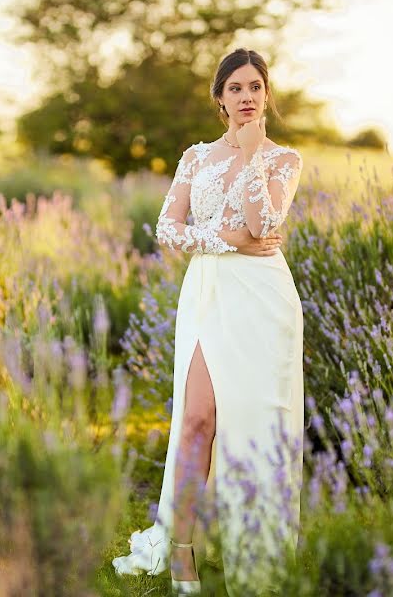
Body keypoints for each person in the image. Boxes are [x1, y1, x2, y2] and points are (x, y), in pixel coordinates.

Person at [111, 48, 306, 596]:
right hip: (208, 293)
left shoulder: (285, 160)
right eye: (236, 88)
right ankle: (181, 554)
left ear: (267, 94)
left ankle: (250, 541)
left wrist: (252, 157)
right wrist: (224, 240)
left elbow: (265, 223)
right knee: (197, 420)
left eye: (255, 87)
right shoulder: (195, 158)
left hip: (263, 302)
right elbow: (167, 229)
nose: (246, 97)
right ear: (219, 97)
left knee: (253, 423)